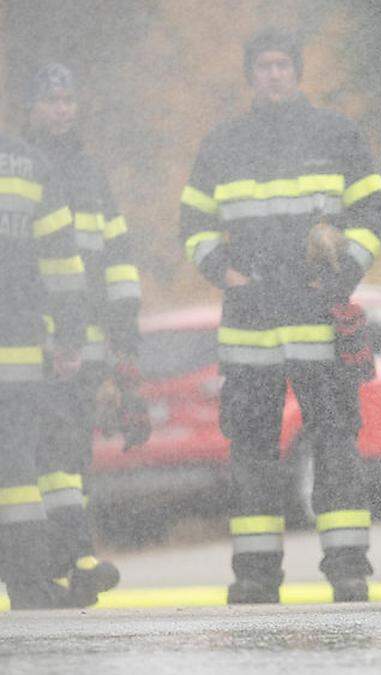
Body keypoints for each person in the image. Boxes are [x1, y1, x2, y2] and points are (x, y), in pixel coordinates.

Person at [179, 29, 381, 604]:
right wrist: (223, 271)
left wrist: (343, 274)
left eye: (282, 65)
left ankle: (348, 569)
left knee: (336, 444)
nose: (273, 74)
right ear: (251, 74)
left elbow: (377, 212)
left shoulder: (335, 134)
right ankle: (254, 575)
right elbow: (192, 223)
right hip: (249, 327)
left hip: (321, 324)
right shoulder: (223, 143)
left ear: (296, 71)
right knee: (250, 448)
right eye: (263, 66)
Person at [23, 63, 140, 606]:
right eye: (50, 101)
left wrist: (125, 341)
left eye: (68, 100)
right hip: (35, 346)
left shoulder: (91, 173)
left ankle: (70, 566)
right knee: (48, 457)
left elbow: (117, 259)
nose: (61, 110)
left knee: (73, 460)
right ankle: (68, 559)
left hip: (85, 348)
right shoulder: (25, 168)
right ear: (30, 107)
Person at [0, 129, 88, 609]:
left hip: (14, 352)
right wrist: (70, 335)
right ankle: (27, 582)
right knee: (15, 471)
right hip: (13, 353)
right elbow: (62, 262)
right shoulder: (29, 165)